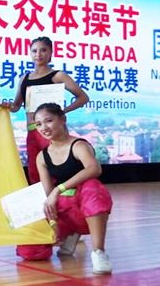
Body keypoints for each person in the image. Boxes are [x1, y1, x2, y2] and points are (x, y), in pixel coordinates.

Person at [18, 103, 112, 275]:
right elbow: (48, 194)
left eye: (48, 121)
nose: (44, 127)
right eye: (38, 124)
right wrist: (52, 224)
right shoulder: (42, 156)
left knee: (92, 187)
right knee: (29, 251)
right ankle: (69, 234)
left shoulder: (78, 145)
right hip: (64, 209)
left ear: (63, 119)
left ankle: (99, 252)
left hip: (84, 207)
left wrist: (58, 189)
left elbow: (94, 169)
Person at [5, 37, 89, 184]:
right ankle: (42, 199)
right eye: (34, 51)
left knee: (58, 169)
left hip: (53, 131)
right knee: (35, 171)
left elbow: (83, 97)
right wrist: (6, 106)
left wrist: (61, 112)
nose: (38, 54)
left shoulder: (58, 76)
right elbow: (16, 106)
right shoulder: (24, 78)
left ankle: (64, 197)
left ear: (51, 53)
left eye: (43, 50)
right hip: (32, 130)